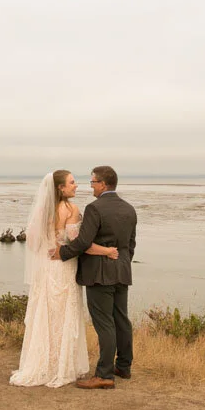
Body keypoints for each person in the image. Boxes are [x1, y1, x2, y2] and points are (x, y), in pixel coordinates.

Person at [10, 170, 119, 388]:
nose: (76, 185)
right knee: (63, 315)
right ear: (60, 188)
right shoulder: (71, 209)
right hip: (63, 268)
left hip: (46, 268)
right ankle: (60, 366)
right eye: (71, 182)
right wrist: (106, 251)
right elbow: (81, 244)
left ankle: (42, 363)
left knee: (47, 314)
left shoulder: (43, 211)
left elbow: (32, 243)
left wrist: (50, 248)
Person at [51, 165, 137, 390]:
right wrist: (122, 263)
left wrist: (63, 253)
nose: (90, 187)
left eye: (92, 182)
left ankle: (105, 374)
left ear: (103, 184)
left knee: (104, 324)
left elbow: (83, 242)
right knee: (121, 320)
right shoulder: (129, 209)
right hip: (122, 271)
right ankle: (124, 366)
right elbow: (131, 245)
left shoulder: (95, 208)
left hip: (99, 274)